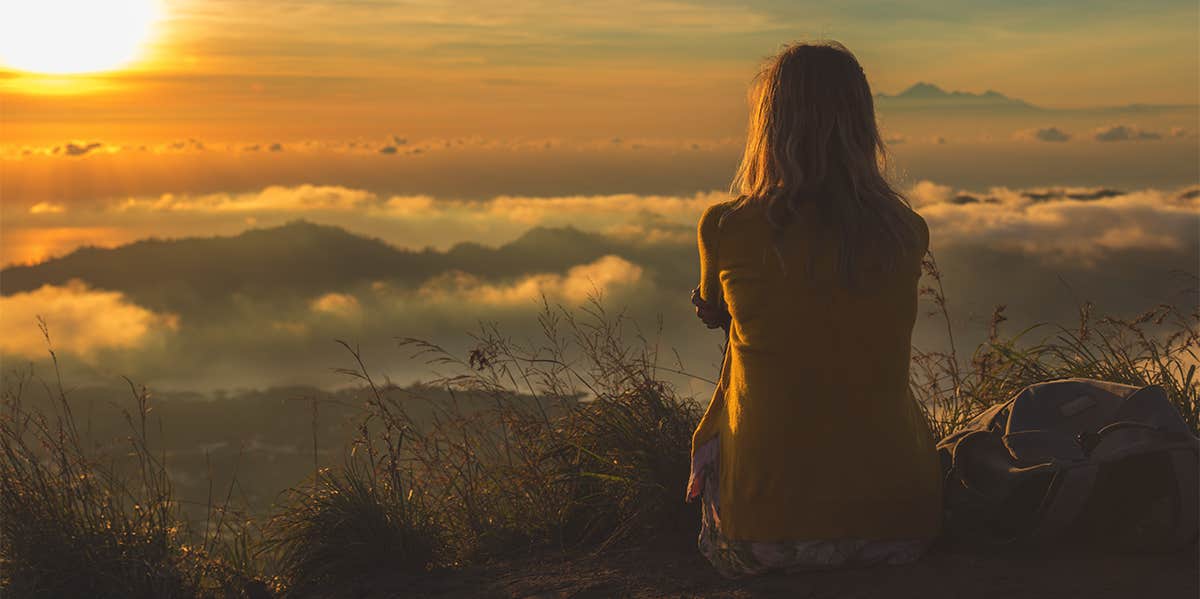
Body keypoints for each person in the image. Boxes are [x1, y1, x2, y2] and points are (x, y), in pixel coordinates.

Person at [685, 40, 942, 578]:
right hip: (900, 524)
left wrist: (724, 316)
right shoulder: (904, 231)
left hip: (763, 538)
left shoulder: (726, 227)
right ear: (861, 124)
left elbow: (720, 308)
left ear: (769, 124)